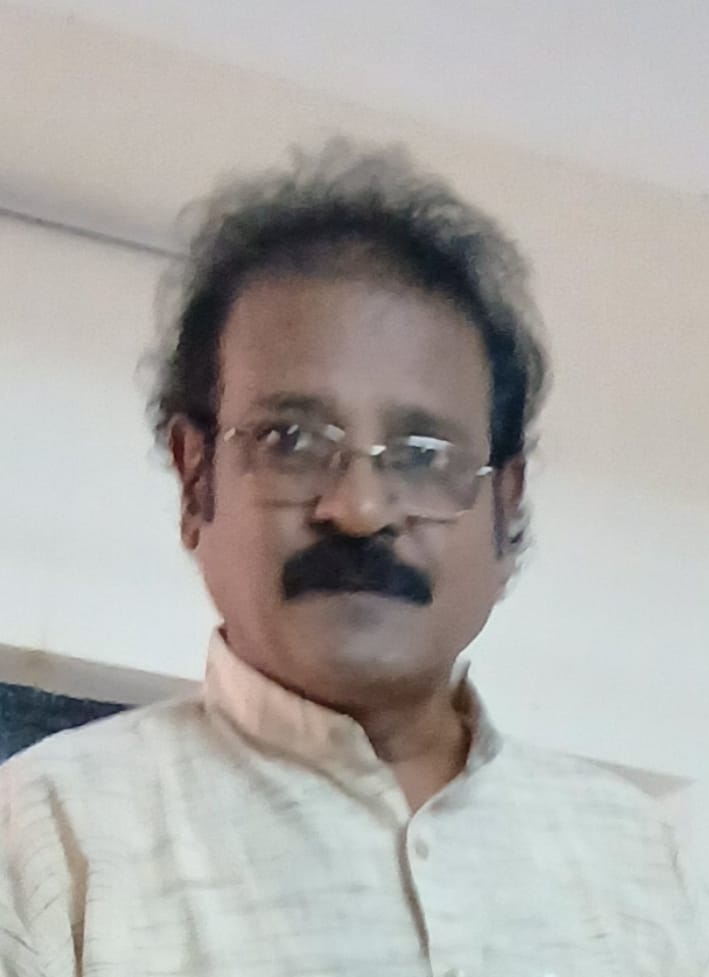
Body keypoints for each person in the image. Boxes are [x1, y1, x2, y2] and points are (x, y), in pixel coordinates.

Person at [0, 141, 705, 977]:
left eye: (422, 454)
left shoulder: (638, 862)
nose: (360, 509)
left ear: (506, 507)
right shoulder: (50, 838)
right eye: (289, 440)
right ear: (195, 479)